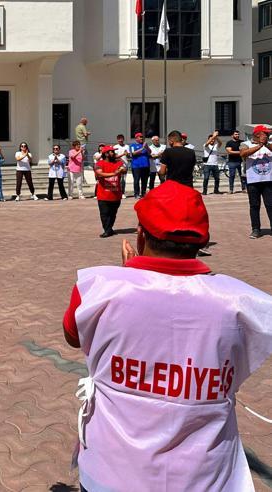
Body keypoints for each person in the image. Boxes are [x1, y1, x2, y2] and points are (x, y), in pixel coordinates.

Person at [62, 180, 272, 492]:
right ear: (203, 241)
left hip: (111, 471)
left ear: (141, 234)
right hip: (204, 475)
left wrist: (128, 278)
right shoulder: (243, 302)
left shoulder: (98, 288)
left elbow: (73, 336)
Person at [239, 125, 272, 239]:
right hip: (252, 180)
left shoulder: (269, 144)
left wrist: (266, 144)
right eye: (265, 133)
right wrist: (259, 145)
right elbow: (243, 154)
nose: (268, 135)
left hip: (268, 180)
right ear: (258, 134)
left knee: (270, 204)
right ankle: (256, 229)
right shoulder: (246, 144)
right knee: (254, 205)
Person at [94, 145, 125, 238]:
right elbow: (99, 173)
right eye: (111, 151)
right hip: (103, 195)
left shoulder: (118, 162)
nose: (114, 153)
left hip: (116, 194)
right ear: (106, 154)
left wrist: (122, 169)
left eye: (113, 151)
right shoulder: (99, 163)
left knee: (113, 213)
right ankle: (107, 230)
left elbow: (124, 169)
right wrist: (114, 173)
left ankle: (109, 228)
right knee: (104, 214)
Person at [224, 130, 247, 194]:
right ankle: (231, 190)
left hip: (241, 162)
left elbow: (246, 149)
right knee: (232, 176)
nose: (237, 135)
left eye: (238, 134)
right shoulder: (229, 143)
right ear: (232, 135)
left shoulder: (242, 142)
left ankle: (244, 189)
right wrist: (240, 152)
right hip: (232, 162)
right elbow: (229, 152)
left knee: (243, 176)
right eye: (236, 134)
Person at [129, 132, 150, 199]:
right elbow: (133, 154)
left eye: (142, 137)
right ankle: (136, 193)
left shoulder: (145, 145)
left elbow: (150, 153)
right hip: (136, 166)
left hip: (145, 166)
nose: (141, 138)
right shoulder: (132, 145)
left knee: (145, 180)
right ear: (136, 138)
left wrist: (147, 147)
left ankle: (143, 193)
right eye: (139, 137)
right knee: (136, 180)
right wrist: (142, 148)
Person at [202, 131, 222, 195]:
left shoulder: (216, 146)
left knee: (217, 178)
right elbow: (207, 144)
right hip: (207, 165)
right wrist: (213, 136)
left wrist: (216, 137)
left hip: (215, 164)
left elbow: (220, 143)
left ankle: (216, 190)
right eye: (211, 139)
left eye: (213, 140)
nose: (212, 140)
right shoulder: (205, 145)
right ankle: (204, 191)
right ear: (208, 139)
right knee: (206, 178)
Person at [113, 134, 130, 199]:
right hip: (117, 165)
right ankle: (117, 193)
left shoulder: (127, 146)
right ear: (117, 140)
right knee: (118, 180)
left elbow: (128, 156)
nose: (120, 140)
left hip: (125, 165)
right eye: (119, 139)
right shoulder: (115, 147)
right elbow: (115, 156)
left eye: (121, 139)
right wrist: (123, 154)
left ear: (123, 139)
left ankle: (123, 193)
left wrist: (127, 154)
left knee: (123, 180)